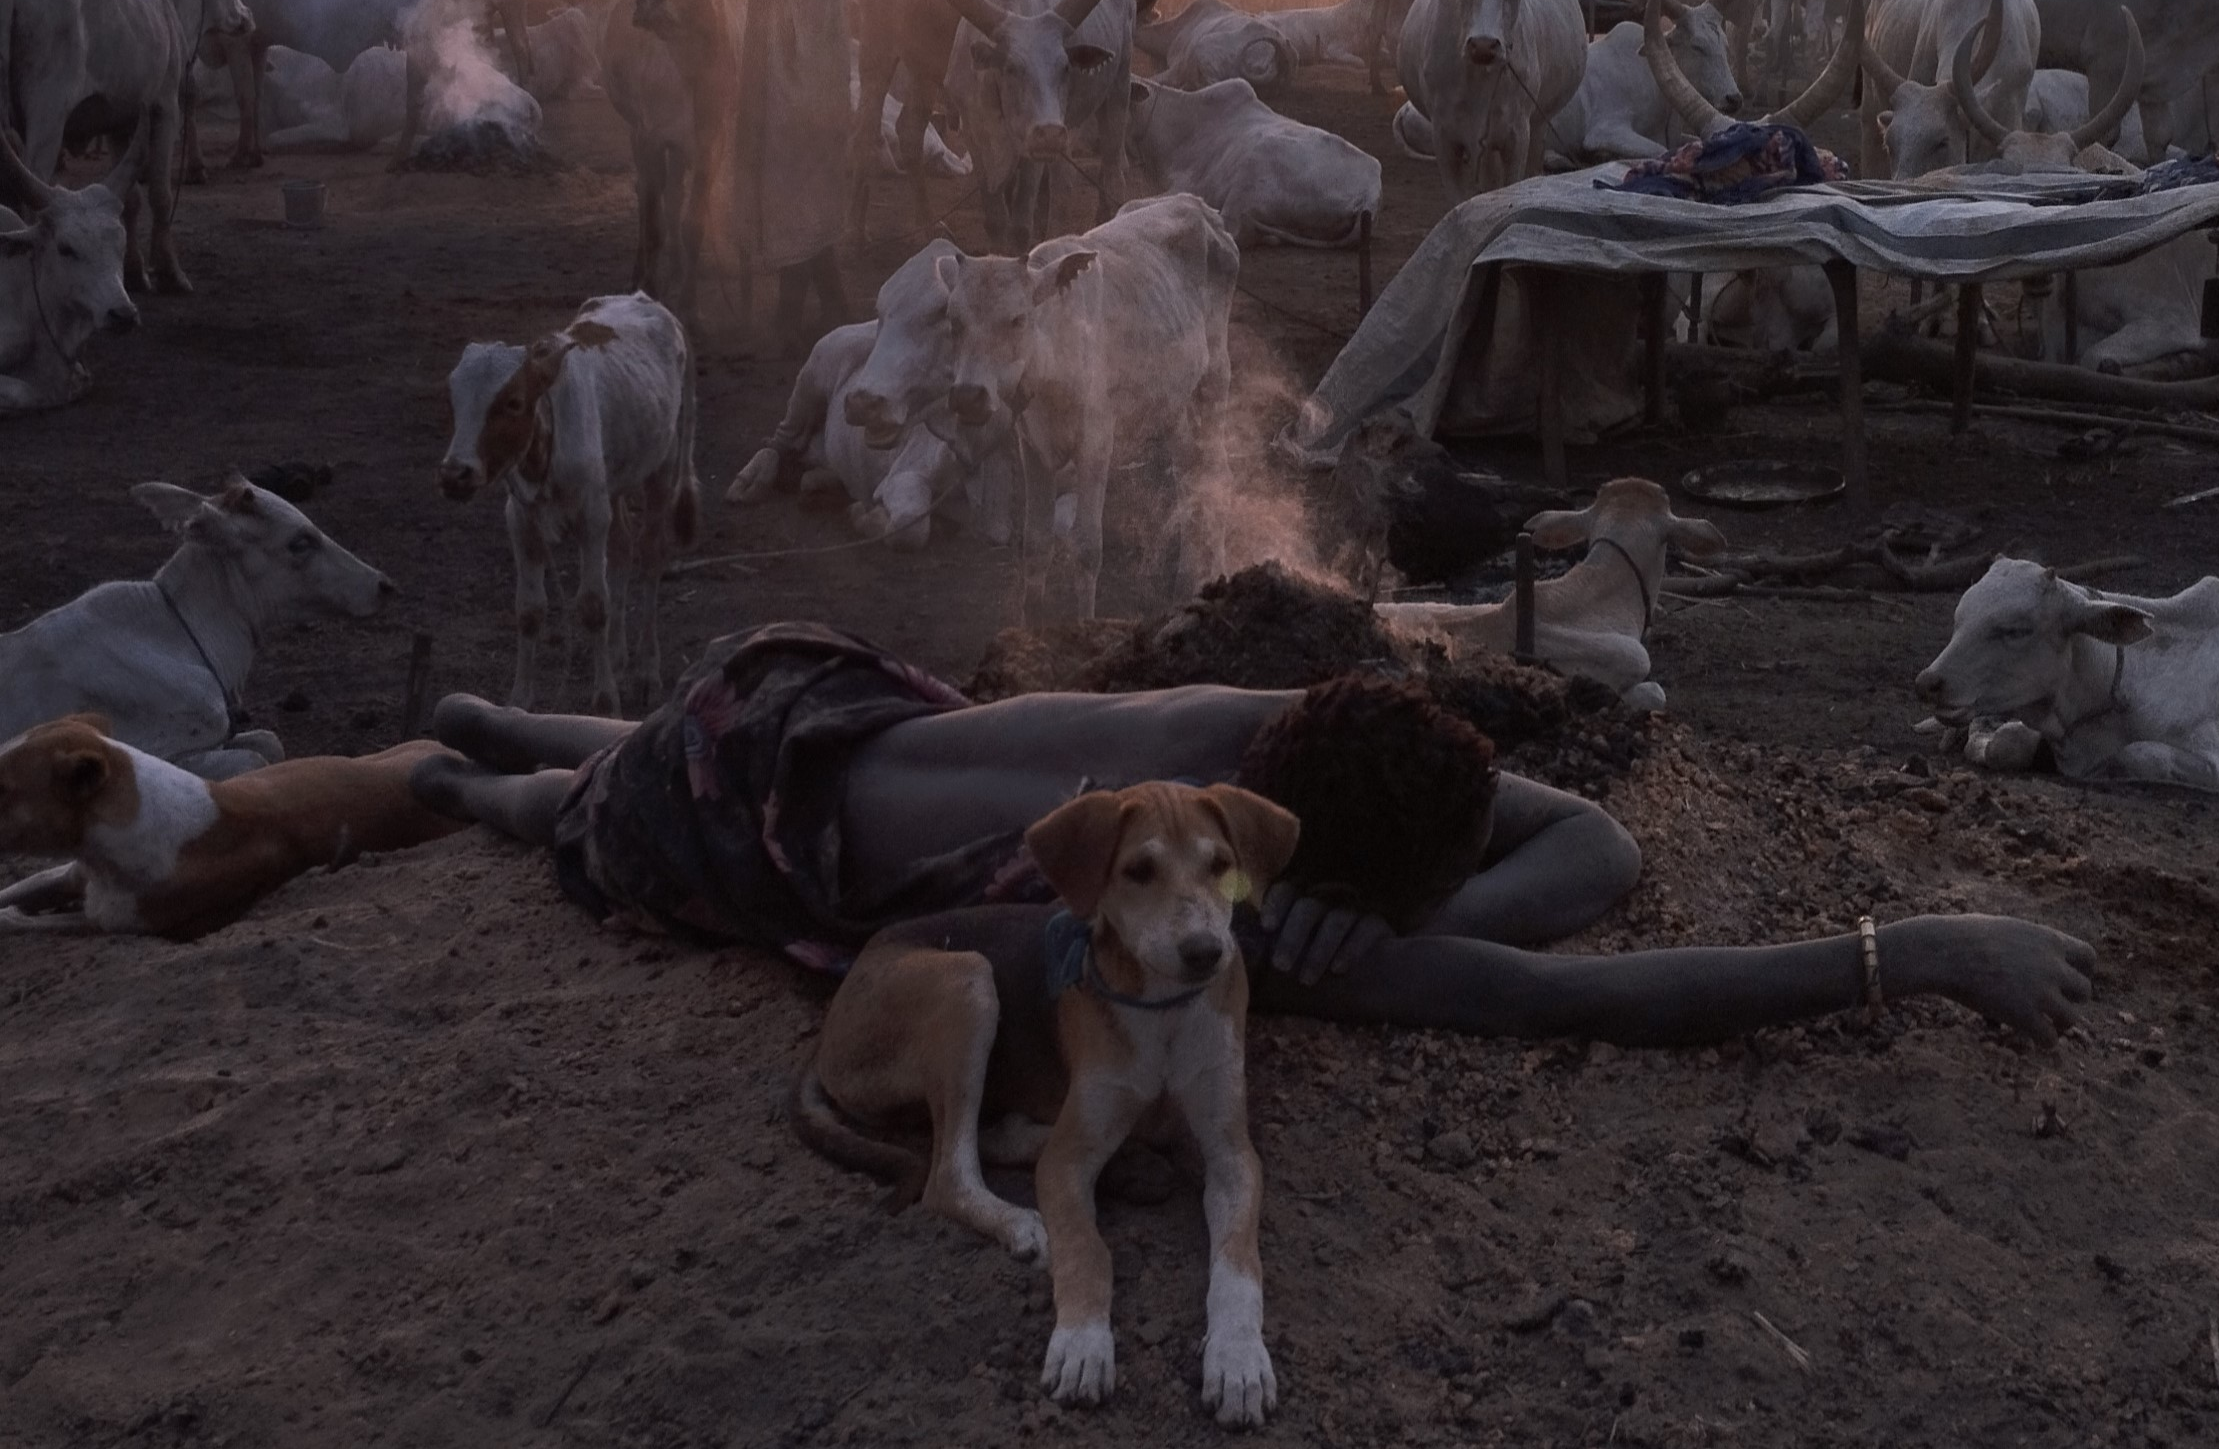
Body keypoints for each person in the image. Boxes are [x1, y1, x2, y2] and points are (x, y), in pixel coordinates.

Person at [413, 625, 2095, 1048]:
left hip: (790, 693)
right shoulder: (1194, 884)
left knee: (660, 746)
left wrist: (1438, 895)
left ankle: (509, 717)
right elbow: (1589, 993)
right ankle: (475, 783)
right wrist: (1905, 953)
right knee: (563, 811)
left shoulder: (1271, 733)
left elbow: (1584, 839)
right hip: (715, 825)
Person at [696, 0, 852, 350]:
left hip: (804, 60)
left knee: (792, 182)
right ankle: (825, 308)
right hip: (780, 55)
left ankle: (804, 315)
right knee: (792, 187)